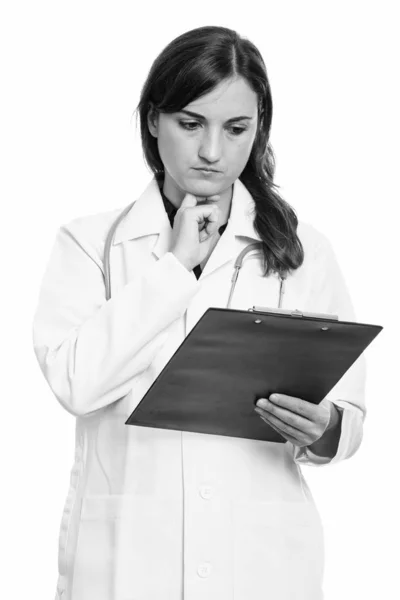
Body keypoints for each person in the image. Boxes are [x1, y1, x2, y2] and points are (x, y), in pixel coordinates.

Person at [32, 25, 366, 600]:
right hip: (129, 560)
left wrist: (327, 428)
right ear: (153, 120)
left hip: (262, 563)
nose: (212, 151)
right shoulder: (90, 244)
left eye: (236, 128)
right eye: (191, 124)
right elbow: (75, 385)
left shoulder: (301, 251)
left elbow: (349, 417)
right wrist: (174, 265)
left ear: (258, 129)